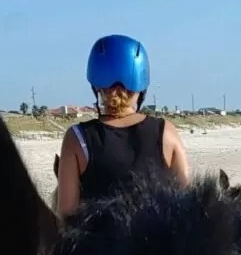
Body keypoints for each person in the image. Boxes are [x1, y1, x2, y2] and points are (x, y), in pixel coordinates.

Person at [57, 34, 189, 217]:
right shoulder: (166, 132)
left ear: (96, 86)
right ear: (141, 86)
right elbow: (187, 202)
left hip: (98, 245)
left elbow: (66, 214)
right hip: (157, 244)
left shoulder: (77, 138)